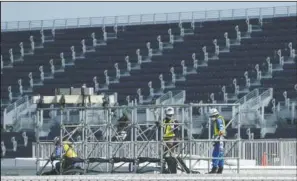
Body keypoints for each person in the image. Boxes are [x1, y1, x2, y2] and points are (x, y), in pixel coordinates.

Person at [162, 107, 180, 173]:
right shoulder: (163, 120)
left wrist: (176, 140)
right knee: (164, 155)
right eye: (168, 115)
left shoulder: (174, 121)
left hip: (171, 139)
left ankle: (172, 168)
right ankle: (164, 167)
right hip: (164, 139)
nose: (170, 116)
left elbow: (177, 131)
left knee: (171, 155)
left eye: (171, 115)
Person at [208, 108, 226, 174]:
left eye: (212, 116)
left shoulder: (219, 119)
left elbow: (221, 129)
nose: (211, 118)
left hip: (220, 139)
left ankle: (214, 168)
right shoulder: (217, 120)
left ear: (215, 115)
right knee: (220, 154)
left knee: (216, 153)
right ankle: (220, 169)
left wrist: (218, 137)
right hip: (218, 139)